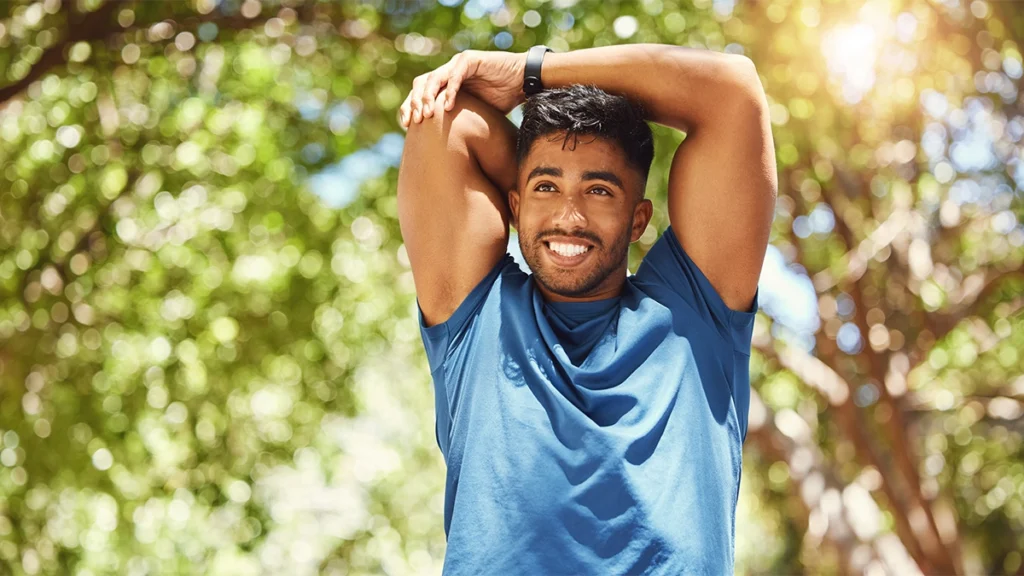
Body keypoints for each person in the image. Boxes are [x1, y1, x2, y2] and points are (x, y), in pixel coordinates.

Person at [395, 43, 776, 575]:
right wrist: (544, 178)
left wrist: (532, 73)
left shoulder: (696, 315)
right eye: (546, 188)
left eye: (600, 191)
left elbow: (731, 90)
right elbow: (445, 119)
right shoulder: (475, 316)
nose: (569, 217)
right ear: (514, 203)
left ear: (638, 219)